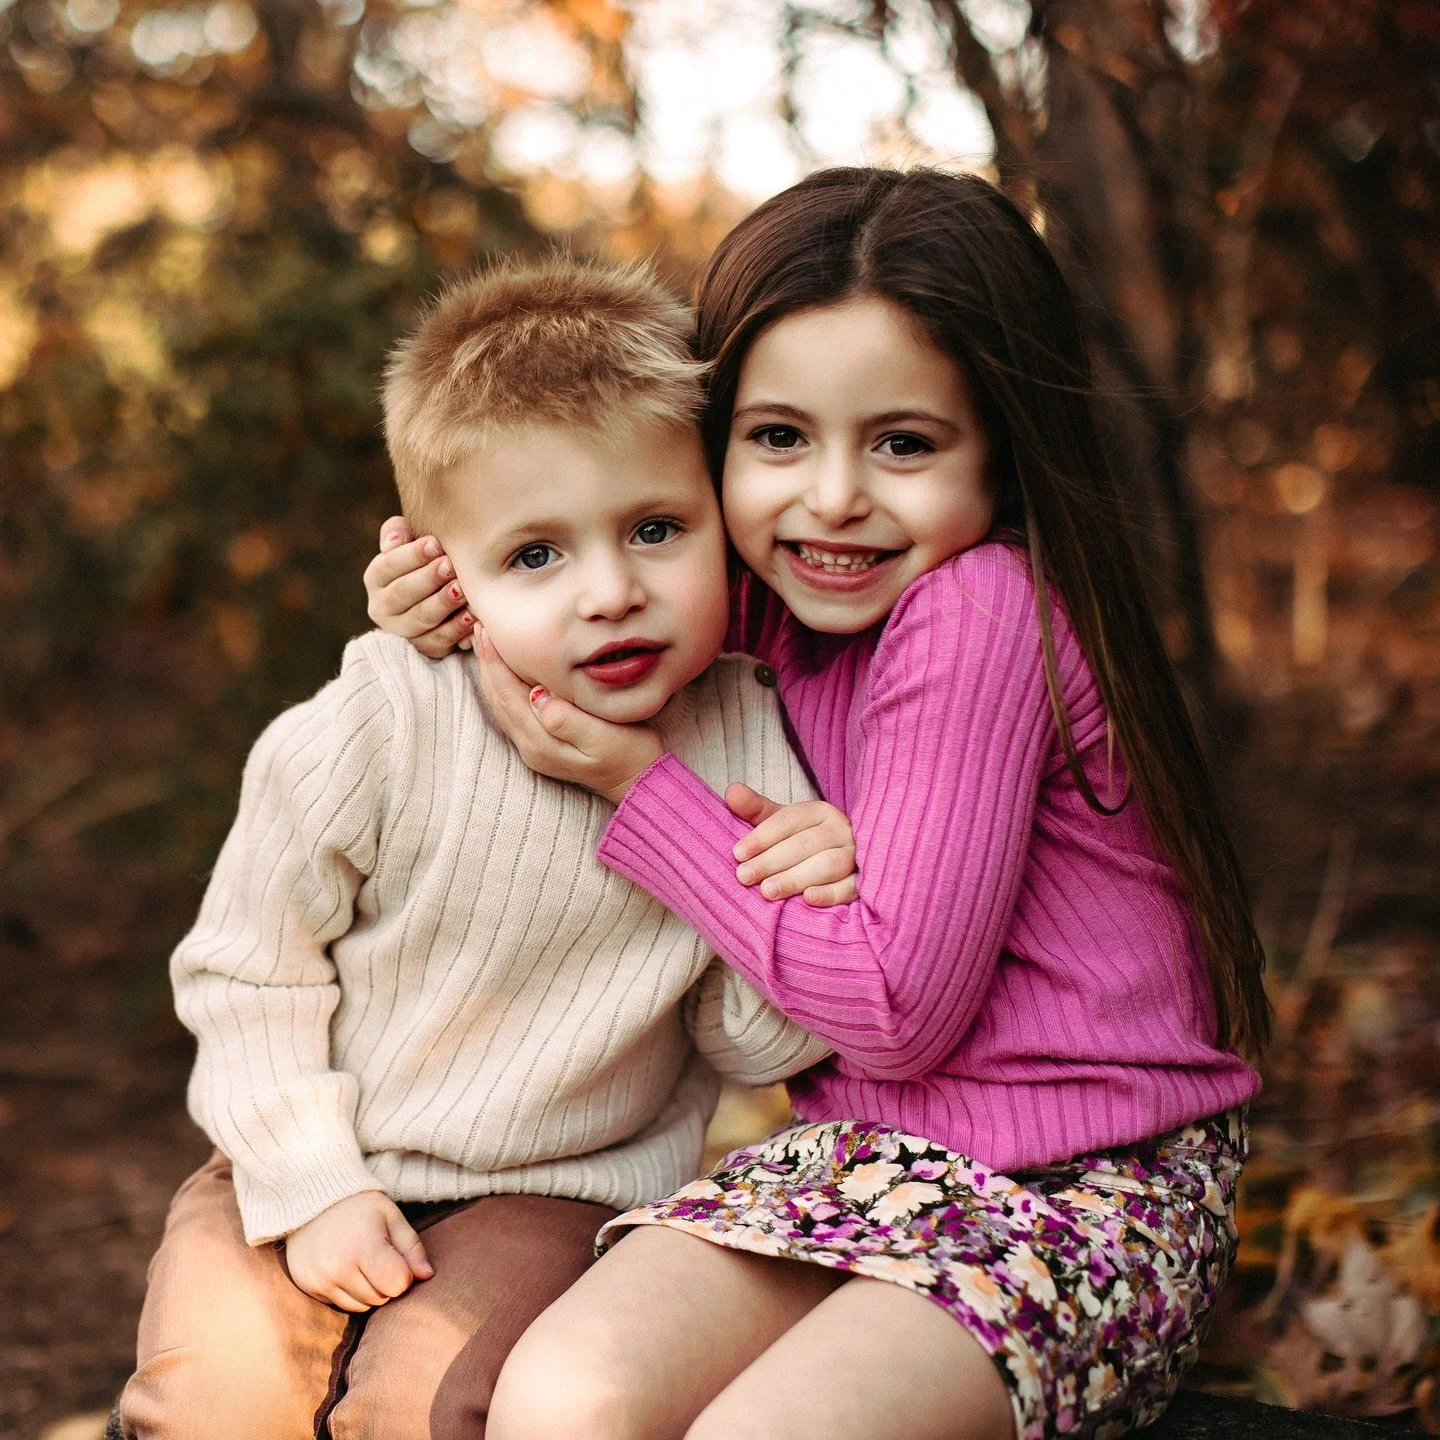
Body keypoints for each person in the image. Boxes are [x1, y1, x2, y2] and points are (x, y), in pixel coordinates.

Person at [364, 168, 1270, 1440]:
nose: (834, 498)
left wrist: (645, 789)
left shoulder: (979, 608)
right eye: (779, 437)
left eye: (904, 444)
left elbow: (894, 1010)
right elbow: (567, 575)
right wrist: (434, 594)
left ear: (1000, 455)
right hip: (862, 1167)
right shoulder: (763, 597)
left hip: (1083, 1185)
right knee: (560, 1400)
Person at [118, 255, 848, 1440]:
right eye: (536, 555)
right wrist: (314, 1183)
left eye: (655, 529)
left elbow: (755, 1045)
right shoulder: (384, 714)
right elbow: (248, 970)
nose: (611, 592)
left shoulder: (750, 733)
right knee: (217, 1398)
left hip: (558, 1189)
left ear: (721, 518)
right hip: (307, 1143)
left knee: (428, 1404)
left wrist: (795, 891)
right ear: (438, 569)